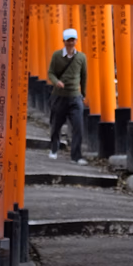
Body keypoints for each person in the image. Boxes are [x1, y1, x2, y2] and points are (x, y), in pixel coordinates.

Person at [47, 27, 88, 164]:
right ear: (63, 41)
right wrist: (56, 81)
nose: (70, 43)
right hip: (59, 97)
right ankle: (54, 149)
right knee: (56, 125)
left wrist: (83, 94)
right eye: (68, 40)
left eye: (73, 40)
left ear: (76, 41)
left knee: (78, 127)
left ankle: (76, 156)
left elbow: (84, 76)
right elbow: (51, 72)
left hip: (75, 97)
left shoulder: (81, 57)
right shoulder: (57, 56)